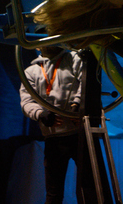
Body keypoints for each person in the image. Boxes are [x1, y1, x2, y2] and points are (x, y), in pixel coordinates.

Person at [19, 44, 84, 204]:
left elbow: (86, 84)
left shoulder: (75, 59)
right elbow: (26, 102)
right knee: (54, 193)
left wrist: (78, 106)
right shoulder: (31, 72)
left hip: (80, 134)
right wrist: (41, 114)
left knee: (88, 188)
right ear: (38, 45)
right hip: (54, 138)